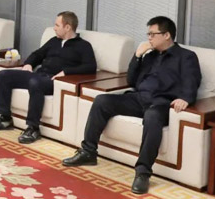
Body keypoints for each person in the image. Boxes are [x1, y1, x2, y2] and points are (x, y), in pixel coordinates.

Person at [62, 16, 201, 195]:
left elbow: (192, 82)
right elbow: (131, 80)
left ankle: (143, 172)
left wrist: (186, 98)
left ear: (167, 35)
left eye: (152, 34)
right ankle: (88, 152)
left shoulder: (186, 57)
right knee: (102, 100)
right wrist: (137, 56)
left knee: (152, 116)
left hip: (161, 104)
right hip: (138, 98)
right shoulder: (150, 55)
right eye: (148, 34)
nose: (149, 38)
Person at [0, 11, 96, 143]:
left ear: (67, 27)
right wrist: (29, 64)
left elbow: (90, 67)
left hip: (54, 81)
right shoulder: (54, 41)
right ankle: (5, 118)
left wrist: (66, 72)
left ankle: (33, 128)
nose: (54, 28)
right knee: (4, 75)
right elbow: (37, 54)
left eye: (57, 25)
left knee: (34, 82)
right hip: (38, 75)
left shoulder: (83, 46)